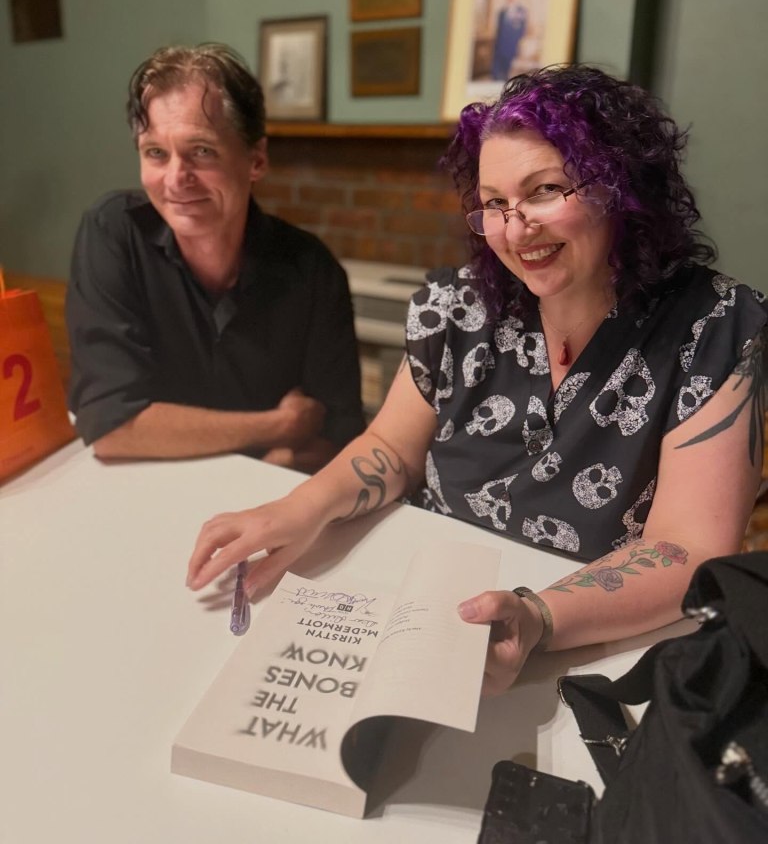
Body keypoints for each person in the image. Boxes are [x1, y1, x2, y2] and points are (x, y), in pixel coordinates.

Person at [186, 65, 766, 694]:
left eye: (544, 190)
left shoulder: (713, 328)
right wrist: (298, 510)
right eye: (494, 203)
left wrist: (540, 616)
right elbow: (389, 450)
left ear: (620, 190)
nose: (515, 229)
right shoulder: (459, 307)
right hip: (421, 602)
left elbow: (687, 548)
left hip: (594, 649)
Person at [66, 44, 365, 473]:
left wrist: (276, 460)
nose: (175, 179)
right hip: (141, 492)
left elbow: (336, 436)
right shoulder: (112, 232)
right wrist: (277, 427)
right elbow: (112, 428)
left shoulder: (312, 269)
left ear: (256, 160)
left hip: (264, 507)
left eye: (201, 151)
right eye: (155, 153)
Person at [491, 0, 528, 81]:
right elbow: (499, 30)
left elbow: (522, 30)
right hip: (500, 46)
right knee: (497, 73)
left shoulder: (521, 11)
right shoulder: (502, 12)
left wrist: (519, 44)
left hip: (512, 46)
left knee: (508, 74)